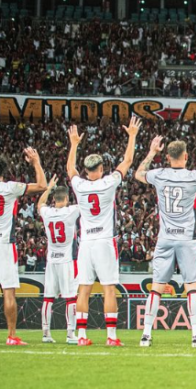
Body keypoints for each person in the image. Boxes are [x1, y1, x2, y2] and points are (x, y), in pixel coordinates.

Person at [134, 136, 196, 348]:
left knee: (157, 287)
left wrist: (151, 152)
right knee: (192, 287)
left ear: (167, 157)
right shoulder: (195, 177)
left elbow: (138, 174)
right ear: (186, 156)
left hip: (165, 237)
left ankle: (146, 335)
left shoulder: (158, 174)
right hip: (186, 238)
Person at [66, 117, 139, 347]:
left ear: (86, 171)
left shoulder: (79, 185)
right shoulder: (108, 183)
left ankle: (81, 336)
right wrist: (132, 136)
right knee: (109, 288)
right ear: (101, 169)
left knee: (83, 290)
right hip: (105, 241)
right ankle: (111, 337)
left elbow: (70, 169)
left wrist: (74, 144)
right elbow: (127, 160)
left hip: (86, 242)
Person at [0, 148, 47, 346]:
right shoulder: (10, 187)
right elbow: (42, 186)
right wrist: (36, 162)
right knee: (9, 291)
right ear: (4, 170)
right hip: (4, 243)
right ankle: (11, 335)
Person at [37, 175, 81, 345]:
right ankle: (70, 334)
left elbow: (40, 204)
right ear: (67, 198)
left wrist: (48, 188)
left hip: (51, 260)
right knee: (70, 297)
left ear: (54, 199)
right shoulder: (71, 211)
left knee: (48, 297)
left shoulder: (47, 212)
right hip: (66, 260)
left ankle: (46, 333)